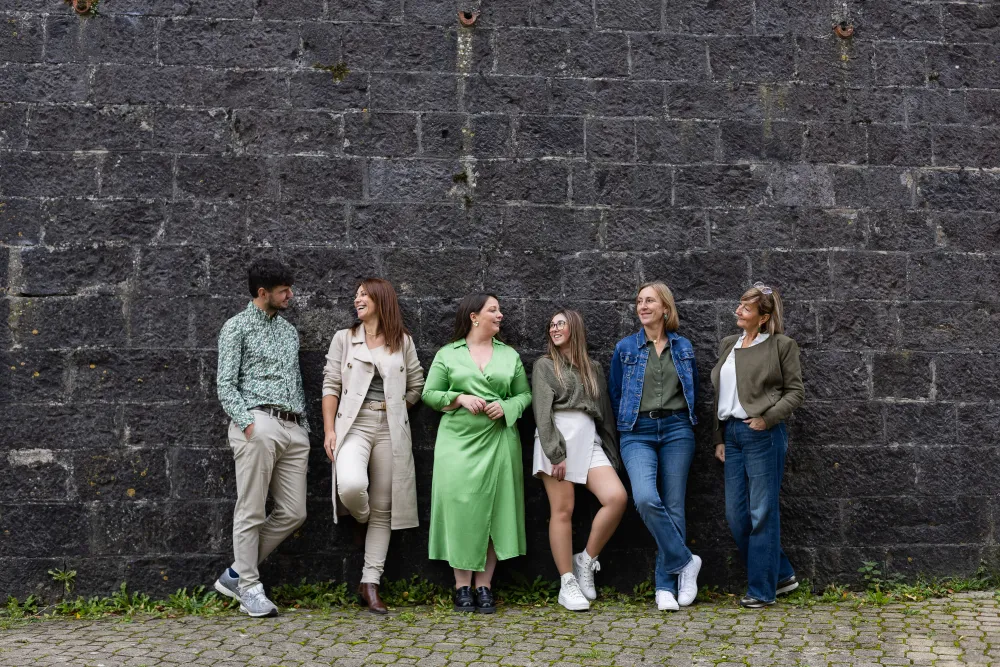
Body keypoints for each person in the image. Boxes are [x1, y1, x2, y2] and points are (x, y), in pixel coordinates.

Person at [422, 293, 532, 614]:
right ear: (474, 317)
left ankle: (484, 586)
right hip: (457, 443)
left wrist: (506, 406)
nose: (500, 315)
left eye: (499, 310)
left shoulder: (509, 355)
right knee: (460, 509)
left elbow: (524, 395)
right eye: (493, 310)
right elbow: (429, 393)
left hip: (499, 440)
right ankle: (462, 586)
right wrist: (458, 398)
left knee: (496, 508)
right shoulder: (448, 354)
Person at [321, 278, 425, 614]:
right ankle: (360, 517)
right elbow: (330, 384)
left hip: (390, 427)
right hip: (353, 424)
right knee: (351, 485)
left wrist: (395, 408)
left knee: (384, 507)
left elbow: (417, 385)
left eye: (364, 294)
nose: (358, 299)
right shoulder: (344, 339)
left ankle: (370, 582)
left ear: (381, 300)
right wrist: (329, 430)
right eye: (357, 295)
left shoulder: (402, 341)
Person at [213, 258, 309, 618]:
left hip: (293, 428)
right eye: (283, 290)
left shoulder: (289, 331)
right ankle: (250, 589)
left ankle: (236, 573)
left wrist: (303, 428)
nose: (290, 295)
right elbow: (226, 384)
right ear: (262, 292)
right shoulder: (235, 327)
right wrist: (248, 424)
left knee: (294, 512)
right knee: (251, 509)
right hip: (258, 423)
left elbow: (296, 382)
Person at [609, 282, 701, 612]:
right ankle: (686, 562)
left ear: (665, 308)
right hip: (637, 431)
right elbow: (616, 393)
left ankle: (665, 587)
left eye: (650, 301)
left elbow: (694, 389)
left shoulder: (684, 347)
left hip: (677, 429)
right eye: (639, 301)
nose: (643, 306)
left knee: (674, 506)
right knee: (646, 498)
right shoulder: (625, 348)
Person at [712, 282, 804, 609]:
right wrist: (719, 436)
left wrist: (767, 419)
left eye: (746, 308)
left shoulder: (781, 345)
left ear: (763, 318)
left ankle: (762, 591)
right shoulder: (729, 344)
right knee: (736, 516)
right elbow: (720, 395)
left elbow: (795, 392)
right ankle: (781, 574)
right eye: (740, 304)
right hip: (733, 435)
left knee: (762, 513)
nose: (738, 311)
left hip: (762, 434)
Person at [531, 309, 627, 612]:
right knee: (563, 510)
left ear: (574, 327)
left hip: (589, 438)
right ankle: (567, 583)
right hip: (557, 438)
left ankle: (585, 559)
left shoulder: (592, 367)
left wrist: (611, 453)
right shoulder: (545, 365)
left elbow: (605, 415)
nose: (555, 328)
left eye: (560, 323)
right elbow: (542, 411)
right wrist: (555, 452)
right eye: (551, 324)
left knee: (616, 498)